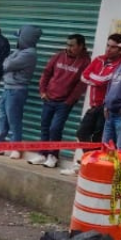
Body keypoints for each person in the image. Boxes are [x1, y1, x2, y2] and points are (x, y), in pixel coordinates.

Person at [61, 33, 121, 175]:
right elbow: (84, 76)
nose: (109, 49)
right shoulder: (98, 59)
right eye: (108, 45)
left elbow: (105, 79)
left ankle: (92, 165)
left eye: (114, 47)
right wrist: (96, 80)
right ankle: (90, 161)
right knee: (82, 133)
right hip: (94, 105)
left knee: (99, 139)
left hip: (106, 107)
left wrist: (94, 79)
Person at [28, 33, 91, 169]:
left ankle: (53, 156)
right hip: (49, 98)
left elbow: (81, 84)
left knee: (55, 128)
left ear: (81, 46)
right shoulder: (58, 56)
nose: (68, 48)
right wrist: (43, 92)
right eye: (67, 45)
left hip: (64, 102)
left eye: (72, 45)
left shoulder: (85, 62)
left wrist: (69, 100)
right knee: (45, 126)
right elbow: (46, 73)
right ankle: (42, 154)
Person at [0, 24, 41, 160]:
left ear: (25, 39)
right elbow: (4, 64)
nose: (17, 40)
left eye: (19, 37)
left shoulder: (29, 54)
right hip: (8, 88)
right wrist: (8, 61)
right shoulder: (19, 52)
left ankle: (16, 148)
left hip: (17, 91)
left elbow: (6, 65)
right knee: (2, 118)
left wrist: (8, 62)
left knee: (14, 120)